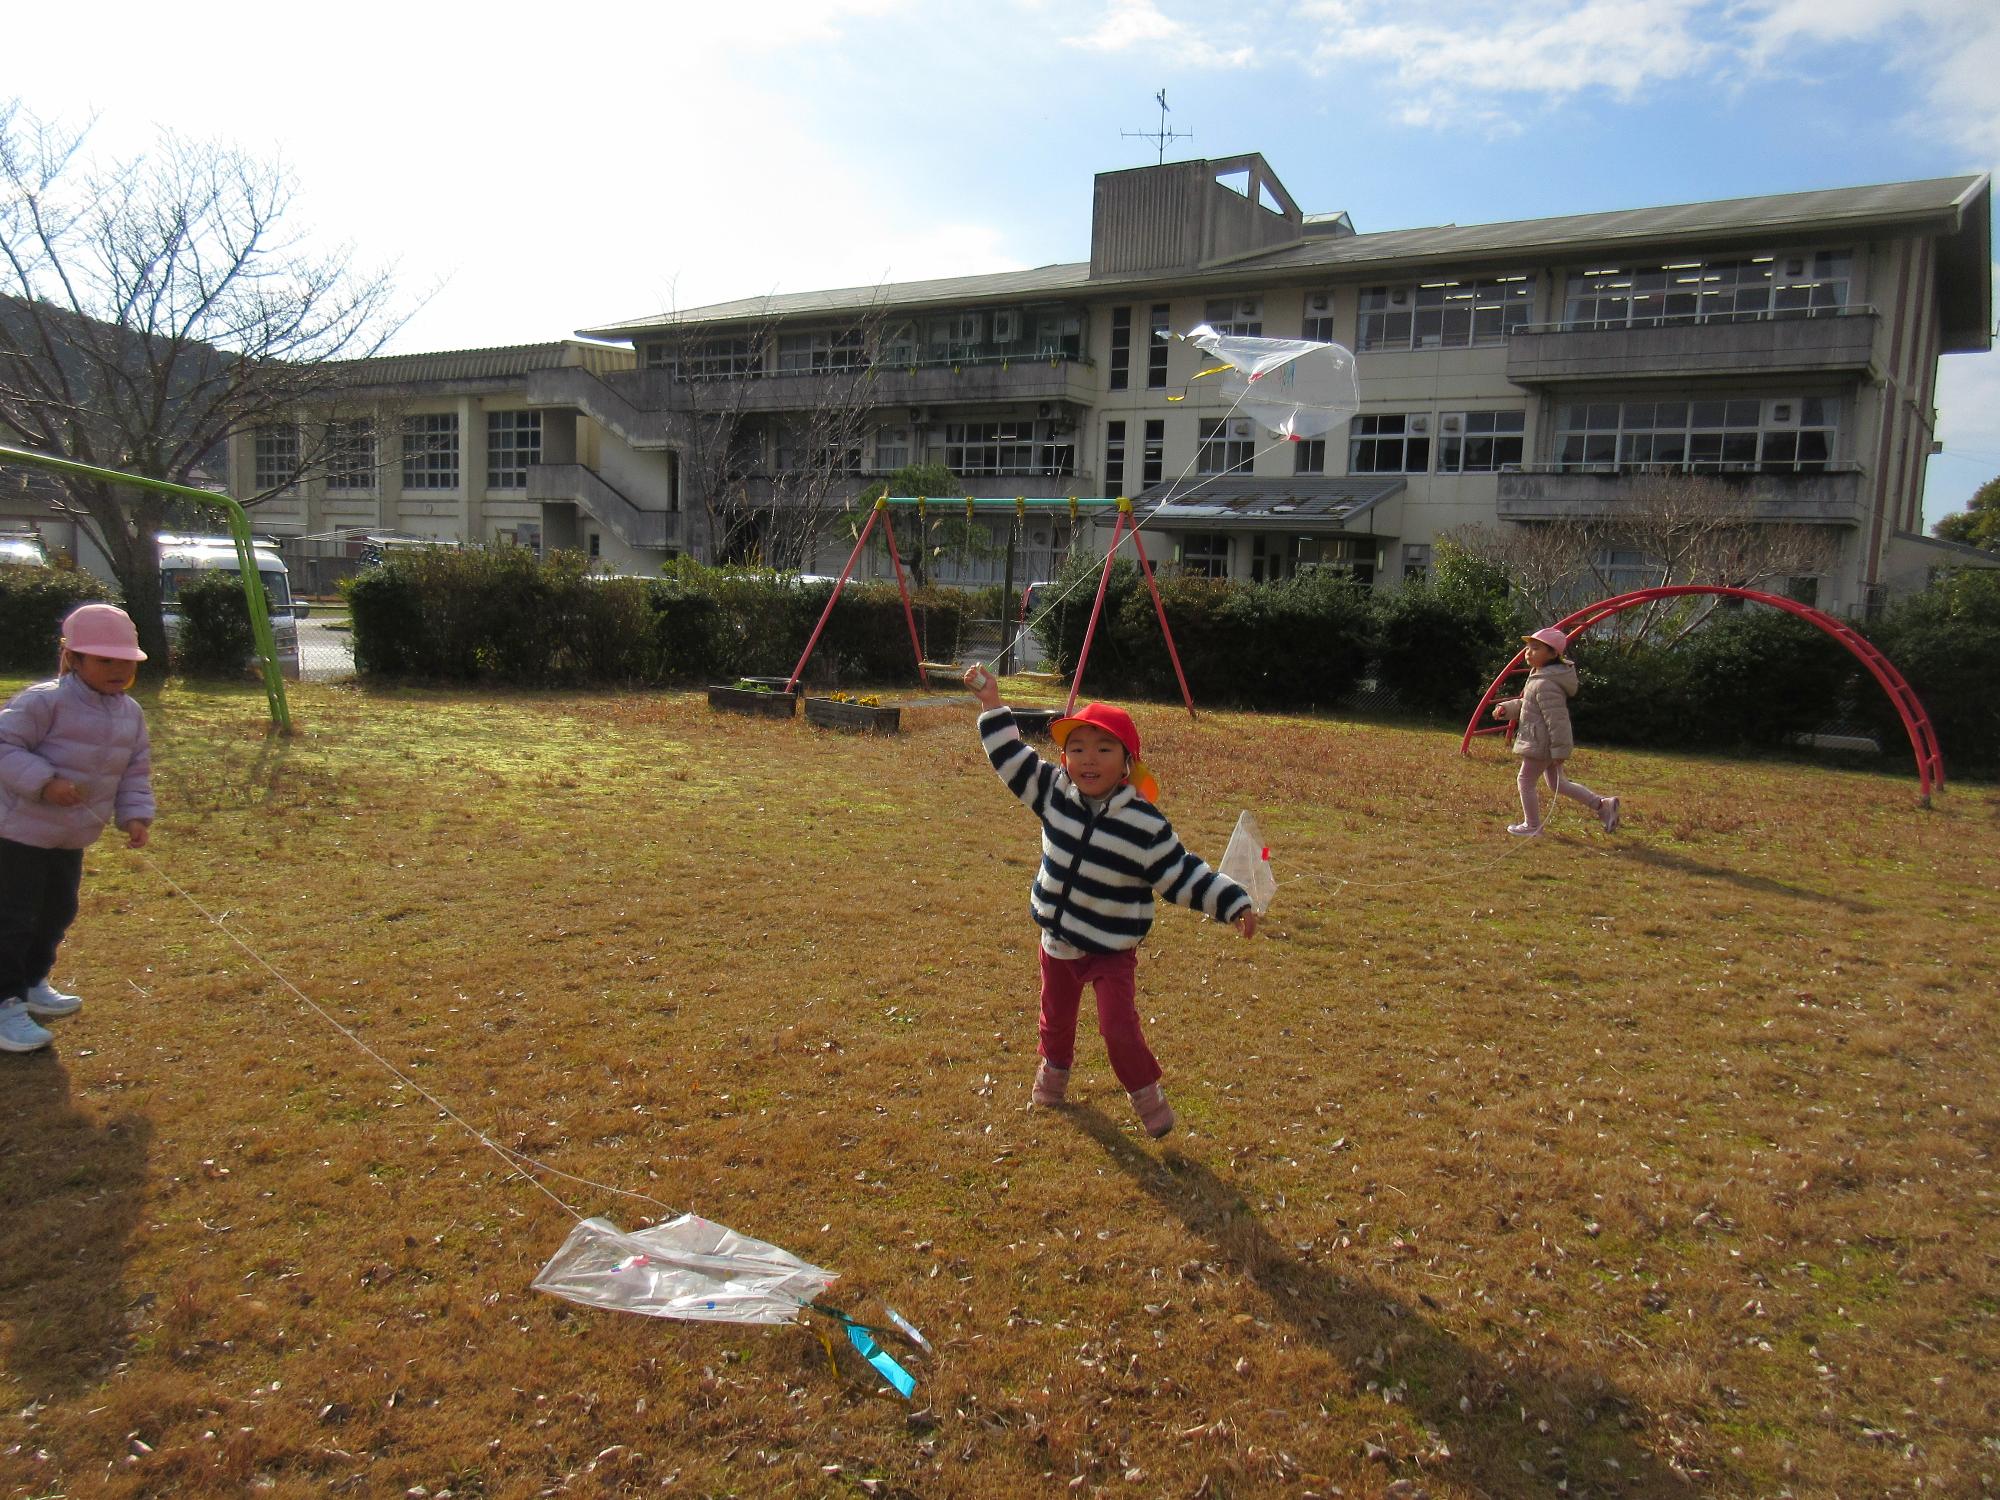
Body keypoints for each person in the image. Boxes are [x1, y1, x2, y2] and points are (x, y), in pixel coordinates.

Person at [965, 664, 1254, 1138]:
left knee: (1118, 1030)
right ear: (1063, 759)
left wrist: (1232, 902)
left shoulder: (1144, 825)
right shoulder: (1054, 793)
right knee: (1055, 1020)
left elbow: (1180, 872)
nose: (1088, 760)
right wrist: (992, 703)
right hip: (1058, 940)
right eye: (1076, 749)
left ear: (1127, 762)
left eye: (1103, 749)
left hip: (1111, 949)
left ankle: (1146, 1095)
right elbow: (1012, 758)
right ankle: (1052, 1075)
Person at [0, 604, 155, 1054]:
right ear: (73, 658)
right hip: (17, 835)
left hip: (69, 840)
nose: (118, 670)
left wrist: (135, 815)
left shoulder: (130, 714)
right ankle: (4, 1000)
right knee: (13, 919)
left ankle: (31, 982)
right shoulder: (43, 701)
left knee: (56, 912)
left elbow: (134, 771)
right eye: (105, 660)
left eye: (126, 661)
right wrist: (44, 782)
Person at [1491, 626, 1620, 838]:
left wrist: (1560, 751)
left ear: (1552, 654)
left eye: (1535, 648)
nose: (1528, 652)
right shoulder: (1541, 676)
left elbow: (1557, 720)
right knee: (1558, 784)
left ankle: (1532, 825)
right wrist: (1507, 708)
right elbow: (1529, 705)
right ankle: (1602, 805)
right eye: (1527, 648)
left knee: (1525, 781)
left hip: (1542, 744)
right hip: (1545, 743)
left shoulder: (1545, 683)